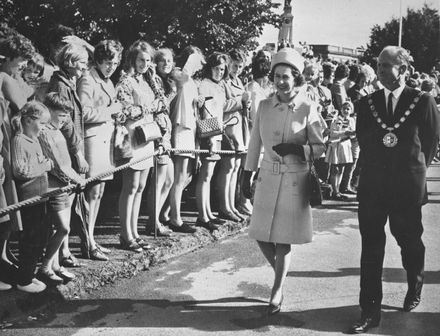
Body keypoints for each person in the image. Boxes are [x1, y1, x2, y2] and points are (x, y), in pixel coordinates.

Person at [349, 46, 440, 334]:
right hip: (374, 186)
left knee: (409, 242)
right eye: (378, 64)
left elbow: (430, 142)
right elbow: (364, 139)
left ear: (403, 69)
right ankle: (370, 310)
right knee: (371, 248)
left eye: (386, 65)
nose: (380, 70)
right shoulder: (368, 103)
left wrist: (412, 169)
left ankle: (415, 283)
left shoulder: (422, 100)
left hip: (406, 187)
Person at [241, 48, 325, 315]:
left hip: (293, 180)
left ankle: (277, 289)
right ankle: (280, 275)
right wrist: (247, 173)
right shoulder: (264, 106)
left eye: (286, 77)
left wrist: (298, 150)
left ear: (296, 78)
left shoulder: (308, 107)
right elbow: (254, 143)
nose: (280, 81)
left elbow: (321, 147)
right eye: (276, 76)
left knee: (283, 239)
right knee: (260, 235)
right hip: (267, 177)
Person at [77, 39, 124, 260]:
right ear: (98, 60)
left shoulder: (106, 80)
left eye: (114, 63)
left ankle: (91, 240)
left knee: (99, 192)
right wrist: (111, 110)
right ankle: (87, 242)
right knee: (91, 193)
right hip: (92, 141)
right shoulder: (88, 78)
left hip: (106, 140)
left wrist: (118, 113)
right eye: (107, 62)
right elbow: (83, 113)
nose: (111, 67)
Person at [46, 42, 89, 268]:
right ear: (70, 62)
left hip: (70, 146)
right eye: (82, 64)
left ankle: (63, 251)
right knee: (64, 203)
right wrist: (78, 154)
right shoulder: (61, 85)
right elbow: (67, 124)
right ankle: (60, 253)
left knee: (69, 202)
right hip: (65, 148)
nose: (84, 68)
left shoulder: (68, 81)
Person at [38, 93, 85, 286]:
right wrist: (76, 179)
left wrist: (75, 179)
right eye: (61, 115)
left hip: (66, 185)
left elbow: (66, 162)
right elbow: (58, 166)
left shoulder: (58, 131)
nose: (64, 120)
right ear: (49, 112)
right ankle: (45, 267)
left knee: (63, 229)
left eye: (67, 116)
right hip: (54, 187)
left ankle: (55, 266)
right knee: (62, 227)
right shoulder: (45, 132)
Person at [116, 40, 157, 251]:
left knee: (140, 187)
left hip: (147, 136)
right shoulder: (126, 81)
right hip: (133, 135)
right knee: (130, 187)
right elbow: (124, 110)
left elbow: (157, 104)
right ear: (133, 59)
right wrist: (145, 109)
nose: (145, 64)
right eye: (142, 59)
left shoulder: (146, 81)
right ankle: (125, 234)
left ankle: (135, 232)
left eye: (148, 60)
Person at [196, 52, 243, 231]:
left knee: (210, 174)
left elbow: (222, 107)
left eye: (222, 69)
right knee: (205, 174)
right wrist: (209, 136)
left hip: (217, 130)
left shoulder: (220, 85)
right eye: (216, 68)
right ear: (210, 68)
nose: (219, 72)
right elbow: (206, 112)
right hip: (209, 131)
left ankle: (208, 213)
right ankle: (202, 215)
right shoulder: (205, 85)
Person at [11, 101, 52, 293]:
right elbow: (20, 170)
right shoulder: (19, 140)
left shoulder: (34, 140)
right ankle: (24, 279)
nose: (44, 128)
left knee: (41, 238)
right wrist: (44, 166)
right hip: (29, 199)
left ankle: (30, 274)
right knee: (30, 240)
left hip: (41, 196)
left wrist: (42, 164)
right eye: (42, 124)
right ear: (28, 120)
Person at [168, 46, 205, 234]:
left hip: (190, 128)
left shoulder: (191, 81)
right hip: (181, 127)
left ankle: (167, 212)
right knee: (179, 175)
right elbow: (183, 77)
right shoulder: (180, 74)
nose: (200, 65)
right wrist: (193, 57)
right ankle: (175, 218)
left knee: (187, 175)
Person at [144, 48, 175, 237]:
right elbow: (159, 105)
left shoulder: (167, 81)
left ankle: (154, 219)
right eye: (162, 60)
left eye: (169, 60)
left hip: (166, 132)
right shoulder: (153, 79)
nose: (166, 64)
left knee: (168, 179)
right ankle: (152, 221)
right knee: (159, 179)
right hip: (158, 132)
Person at [325, 100, 356, 200]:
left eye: (348, 109)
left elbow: (353, 133)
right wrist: (344, 133)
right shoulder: (337, 119)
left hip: (346, 145)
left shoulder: (351, 120)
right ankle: (335, 191)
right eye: (344, 108)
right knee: (335, 169)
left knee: (341, 169)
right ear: (341, 109)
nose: (346, 111)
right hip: (337, 145)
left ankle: (338, 190)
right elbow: (333, 133)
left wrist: (351, 134)